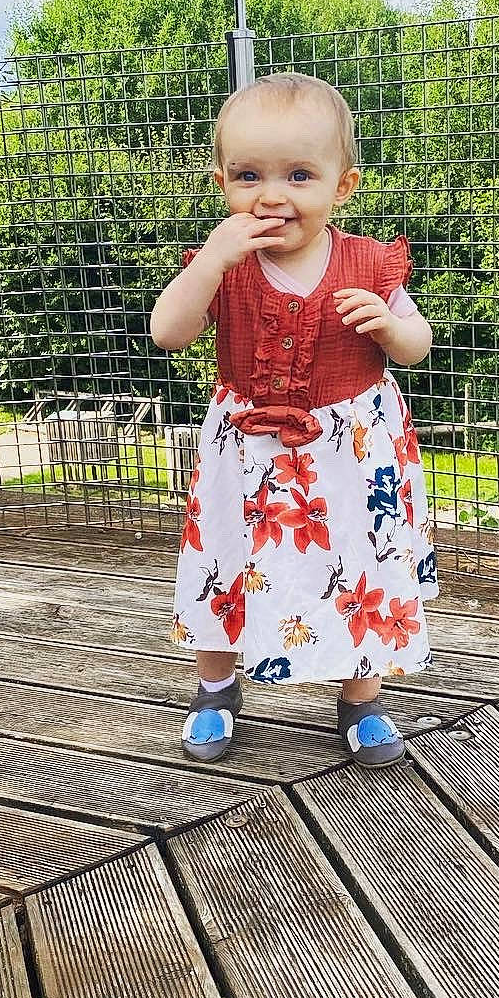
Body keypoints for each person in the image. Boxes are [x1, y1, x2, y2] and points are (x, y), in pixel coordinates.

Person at [150, 71, 437, 768]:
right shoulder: (226, 263)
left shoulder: (371, 263)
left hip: (350, 455)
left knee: (357, 564)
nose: (272, 195)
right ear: (222, 182)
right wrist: (212, 262)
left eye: (300, 175)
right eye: (249, 175)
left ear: (343, 186)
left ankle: (361, 696)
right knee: (226, 560)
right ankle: (216, 687)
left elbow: (419, 340)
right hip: (244, 455)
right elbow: (168, 331)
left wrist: (391, 332)